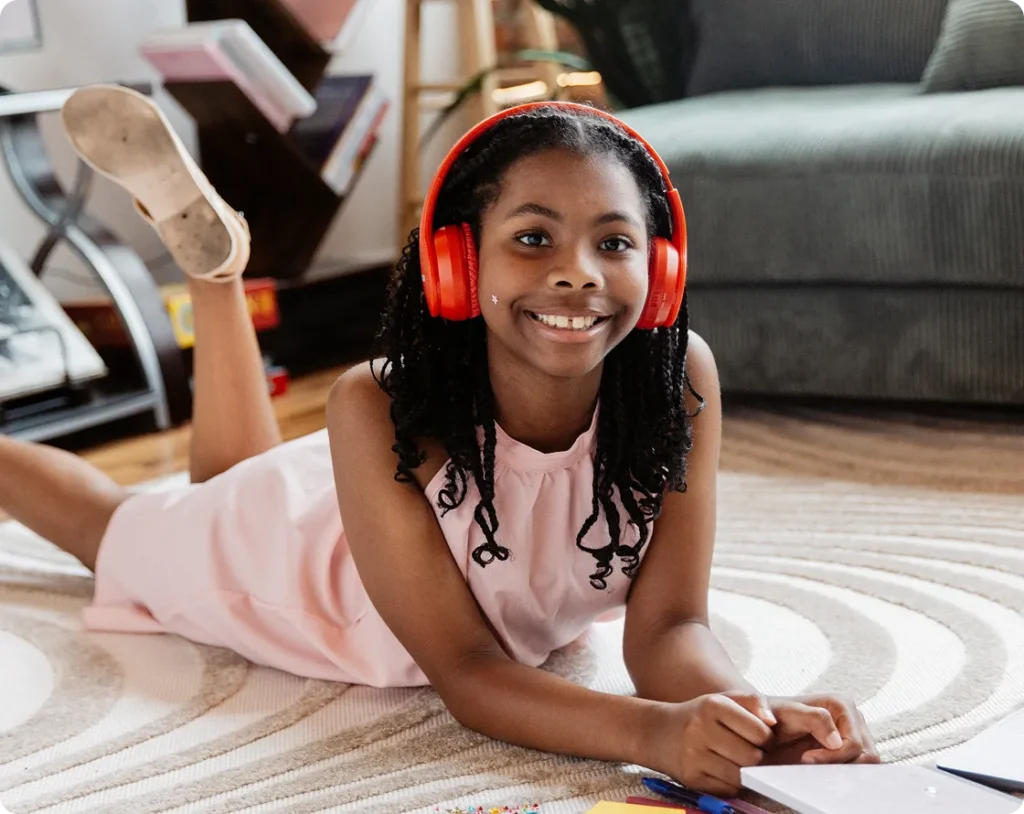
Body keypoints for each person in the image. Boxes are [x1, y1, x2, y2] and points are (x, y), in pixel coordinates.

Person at [0, 85, 878, 796]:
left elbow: (671, 626)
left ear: (661, 275)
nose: (577, 271)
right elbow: (468, 672)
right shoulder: (375, 403)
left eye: (614, 241)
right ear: (459, 266)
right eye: (533, 238)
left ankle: (216, 273)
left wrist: (749, 720)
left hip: (362, 509)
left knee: (230, 480)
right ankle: (210, 280)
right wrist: (656, 734)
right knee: (117, 523)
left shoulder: (679, 378)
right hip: (310, 576)